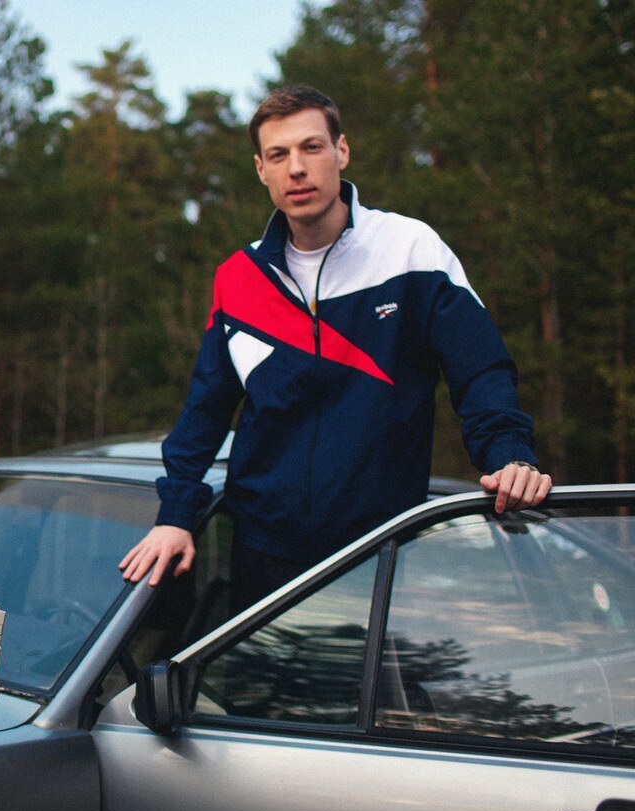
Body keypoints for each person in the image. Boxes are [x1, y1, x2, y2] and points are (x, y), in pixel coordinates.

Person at [119, 86, 552, 614]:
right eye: (279, 154)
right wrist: (175, 515)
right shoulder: (238, 276)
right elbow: (205, 410)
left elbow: (480, 368)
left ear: (341, 151)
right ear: (261, 169)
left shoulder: (410, 248)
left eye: (312, 147)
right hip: (262, 555)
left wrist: (508, 454)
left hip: (381, 550)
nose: (297, 168)